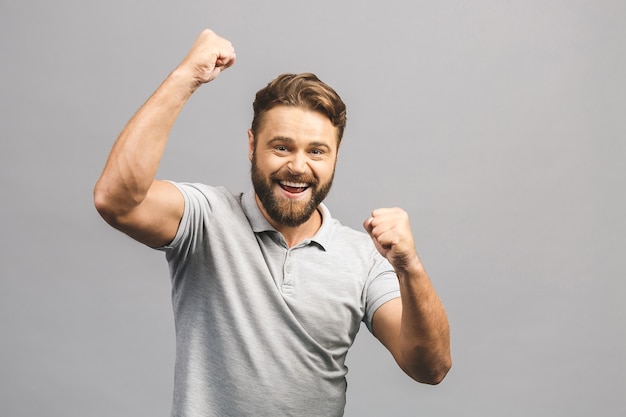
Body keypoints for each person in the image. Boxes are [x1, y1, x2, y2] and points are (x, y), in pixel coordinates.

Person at [94, 29, 451, 417]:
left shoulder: (363, 258)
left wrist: (410, 267)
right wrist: (186, 77)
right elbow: (116, 201)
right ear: (252, 145)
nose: (298, 166)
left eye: (317, 151)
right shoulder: (205, 219)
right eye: (282, 147)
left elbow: (429, 367)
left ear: (336, 155)